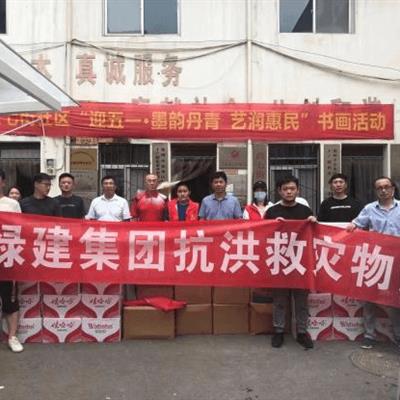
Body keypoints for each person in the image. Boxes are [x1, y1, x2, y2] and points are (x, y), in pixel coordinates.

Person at [347, 176, 400, 349]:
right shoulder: (369, 209)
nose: (383, 190)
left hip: (397, 261)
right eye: (379, 188)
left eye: (386, 187)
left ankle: (398, 336)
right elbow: (356, 224)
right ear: (376, 191)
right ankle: (369, 335)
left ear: (393, 188)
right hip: (375, 259)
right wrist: (351, 226)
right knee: (368, 298)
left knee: (394, 299)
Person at [265, 175, 316, 349]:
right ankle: (278, 331)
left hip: (300, 262)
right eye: (285, 189)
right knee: (279, 300)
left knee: (301, 300)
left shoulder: (305, 211)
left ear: (298, 190)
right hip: (279, 261)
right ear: (279, 191)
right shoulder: (272, 212)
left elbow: (314, 235)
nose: (289, 192)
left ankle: (302, 332)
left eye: (292, 188)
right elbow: (263, 236)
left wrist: (314, 222)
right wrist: (272, 225)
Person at [0, 170, 24, 352]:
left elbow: (21, 228)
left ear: (3, 182)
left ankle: (12, 337)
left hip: (7, 258)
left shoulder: (12, 204)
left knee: (9, 300)